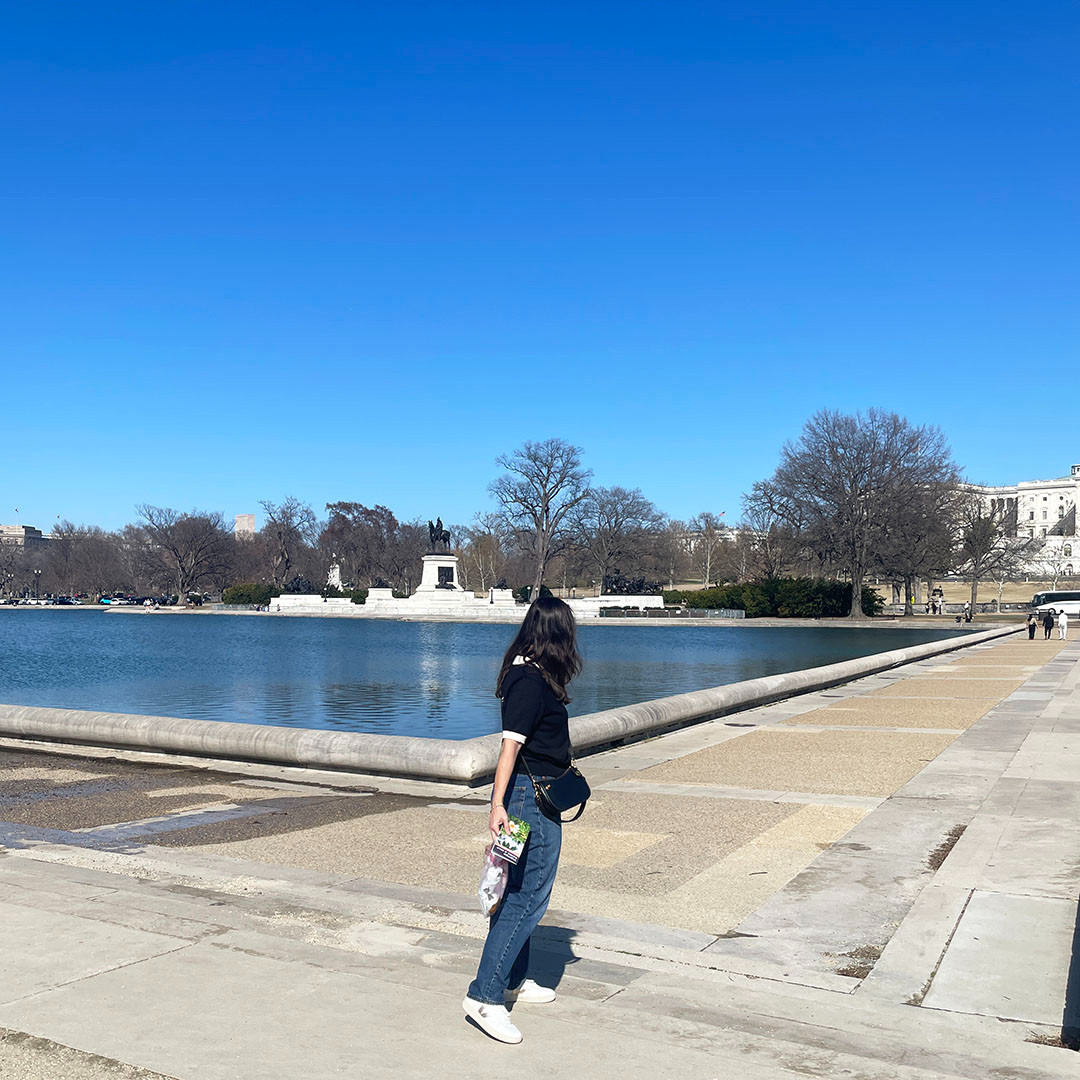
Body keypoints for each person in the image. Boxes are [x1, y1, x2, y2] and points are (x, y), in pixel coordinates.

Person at [463, 596, 582, 1045]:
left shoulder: (531, 675)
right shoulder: (529, 681)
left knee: (514, 891)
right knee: (529, 895)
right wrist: (497, 807)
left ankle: (513, 978)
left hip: (532, 798)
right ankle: (485, 995)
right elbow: (508, 748)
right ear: (556, 635)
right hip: (529, 802)